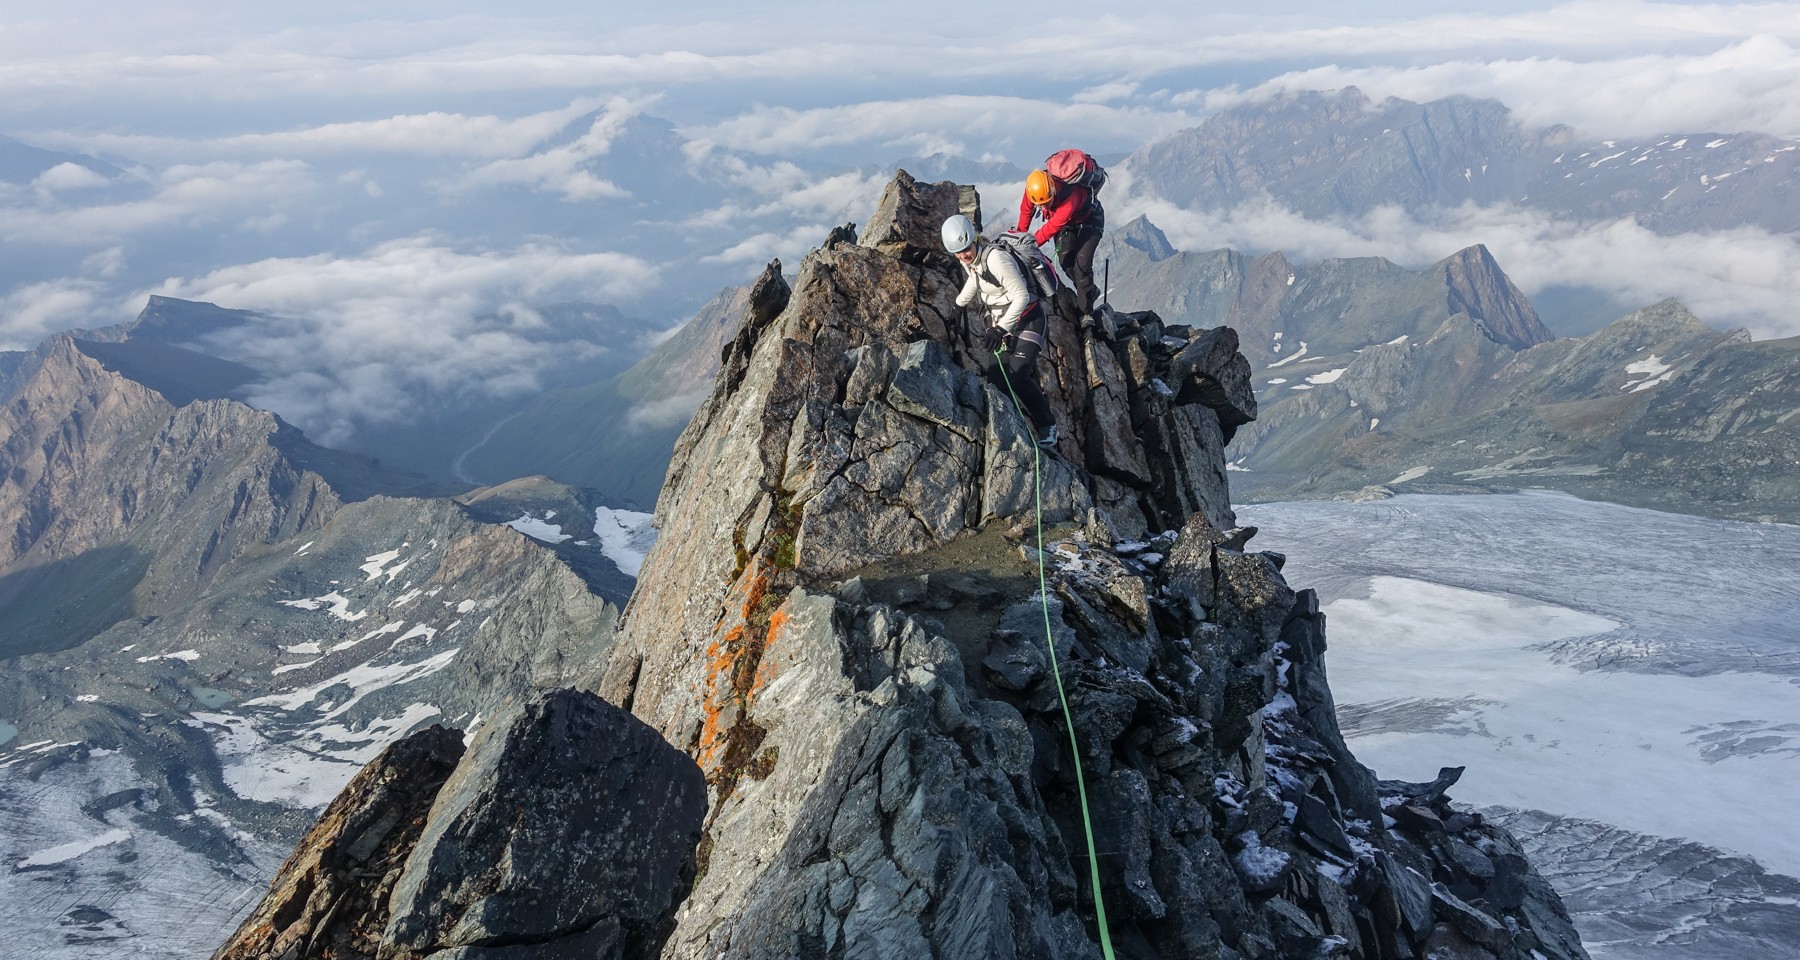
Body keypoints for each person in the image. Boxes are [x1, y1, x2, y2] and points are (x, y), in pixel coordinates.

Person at [942, 214, 1058, 448]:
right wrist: (959, 304)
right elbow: (977, 277)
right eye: (958, 252)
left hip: (1029, 321)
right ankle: (1016, 428)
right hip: (1004, 325)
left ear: (974, 239)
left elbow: (1021, 296)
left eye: (966, 249)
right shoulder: (971, 260)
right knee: (996, 382)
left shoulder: (996, 259)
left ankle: (1048, 426)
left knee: (1017, 377)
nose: (964, 255)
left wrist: (999, 330)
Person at [1016, 165, 1104, 324]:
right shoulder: (1035, 190)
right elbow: (1025, 212)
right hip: (1069, 223)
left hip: (1091, 221)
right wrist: (1018, 238)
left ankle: (1086, 313)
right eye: (1039, 205)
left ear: (1053, 191)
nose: (1042, 208)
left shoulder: (1070, 197)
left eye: (1046, 203)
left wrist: (1025, 246)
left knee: (1082, 265)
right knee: (1065, 261)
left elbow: (1050, 228)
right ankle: (1090, 291)